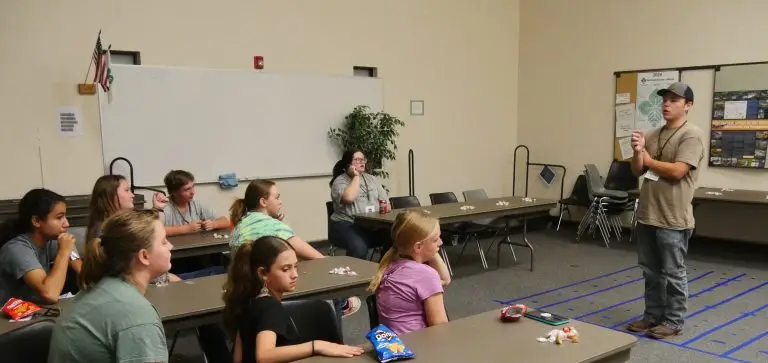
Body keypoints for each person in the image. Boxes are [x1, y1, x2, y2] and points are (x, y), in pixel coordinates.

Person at [629, 82, 705, 339]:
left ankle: (673, 321)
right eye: (665, 99)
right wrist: (638, 151)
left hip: (673, 218)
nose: (667, 104)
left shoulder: (691, 135)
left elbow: (678, 171)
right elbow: (637, 170)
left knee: (673, 273)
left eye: (674, 100)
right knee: (650, 271)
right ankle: (652, 316)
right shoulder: (652, 134)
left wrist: (649, 160)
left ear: (688, 106)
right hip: (648, 214)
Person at [47, 210, 171, 362]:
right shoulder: (137, 315)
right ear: (144, 256)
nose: (170, 246)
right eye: (164, 242)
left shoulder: (100, 287)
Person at [229, 179, 361, 317]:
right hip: (272, 289)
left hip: (245, 288)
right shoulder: (273, 226)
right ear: (263, 202)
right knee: (319, 272)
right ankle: (341, 304)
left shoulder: (239, 226)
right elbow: (317, 258)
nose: (280, 202)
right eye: (277, 197)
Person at [222, 236, 364, 363]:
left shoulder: (248, 300)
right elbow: (264, 356)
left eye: (295, 267)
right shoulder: (270, 308)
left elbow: (237, 358)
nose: (294, 274)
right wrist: (316, 346)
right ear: (263, 273)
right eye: (285, 269)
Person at [368, 210, 451, 335]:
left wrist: (432, 249)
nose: (441, 242)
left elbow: (445, 280)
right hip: (419, 346)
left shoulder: (389, 265)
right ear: (418, 247)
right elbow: (439, 327)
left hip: (394, 345)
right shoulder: (426, 275)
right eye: (435, 240)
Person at [86, 175, 181, 283]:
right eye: (126, 190)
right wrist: (168, 279)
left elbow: (148, 233)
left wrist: (156, 208)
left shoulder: (114, 225)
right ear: (110, 195)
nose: (132, 195)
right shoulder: (110, 232)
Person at [0, 188, 81, 305]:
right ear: (36, 221)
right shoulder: (17, 249)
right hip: (8, 320)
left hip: (34, 313)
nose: (66, 224)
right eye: (59, 217)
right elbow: (50, 295)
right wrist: (63, 252)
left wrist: (68, 252)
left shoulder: (50, 240)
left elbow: (83, 273)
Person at [329, 150, 392, 259]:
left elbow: (387, 204)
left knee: (396, 238)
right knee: (359, 248)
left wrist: (381, 214)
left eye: (363, 159)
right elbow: (349, 198)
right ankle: (356, 273)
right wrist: (356, 176)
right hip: (347, 223)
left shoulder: (372, 179)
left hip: (372, 224)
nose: (361, 162)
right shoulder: (340, 181)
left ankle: (383, 269)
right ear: (348, 164)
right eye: (357, 160)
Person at [161, 169, 229, 236]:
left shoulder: (197, 204)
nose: (193, 192)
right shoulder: (163, 207)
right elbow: (154, 231)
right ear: (174, 192)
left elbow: (225, 221)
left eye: (193, 187)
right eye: (187, 189)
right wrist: (187, 228)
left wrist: (214, 224)